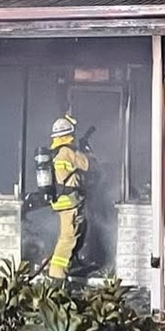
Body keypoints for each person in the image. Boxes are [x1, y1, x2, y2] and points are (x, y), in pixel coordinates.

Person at [46, 114, 90, 283]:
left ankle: (68, 266)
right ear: (68, 134)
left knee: (77, 230)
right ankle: (57, 276)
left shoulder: (55, 151)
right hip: (68, 202)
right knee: (67, 238)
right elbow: (86, 164)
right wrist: (83, 149)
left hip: (64, 201)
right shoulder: (67, 151)